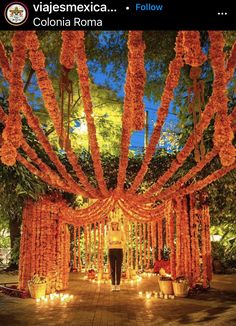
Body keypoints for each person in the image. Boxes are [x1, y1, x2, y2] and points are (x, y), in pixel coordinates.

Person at [107, 219, 125, 291]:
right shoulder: (109, 232)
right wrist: (110, 243)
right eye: (113, 224)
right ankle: (113, 285)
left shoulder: (121, 232)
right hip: (111, 250)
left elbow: (124, 241)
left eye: (116, 224)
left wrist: (119, 242)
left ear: (118, 225)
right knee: (112, 268)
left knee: (118, 268)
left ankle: (118, 285)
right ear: (111, 225)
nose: (114, 225)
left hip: (119, 250)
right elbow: (107, 241)